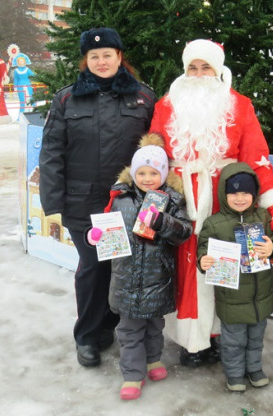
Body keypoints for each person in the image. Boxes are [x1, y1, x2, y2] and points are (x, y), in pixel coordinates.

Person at [149, 39, 273, 367]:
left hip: (225, 198)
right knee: (186, 267)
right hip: (181, 197)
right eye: (192, 68)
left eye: (206, 67)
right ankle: (189, 341)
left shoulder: (239, 105)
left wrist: (269, 201)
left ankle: (215, 335)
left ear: (219, 70)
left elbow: (256, 157)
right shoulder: (166, 105)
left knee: (221, 263)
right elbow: (154, 155)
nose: (199, 75)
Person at [39, 27, 157, 368]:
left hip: (127, 204)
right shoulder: (66, 99)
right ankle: (88, 336)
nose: (101, 61)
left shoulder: (144, 98)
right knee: (93, 267)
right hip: (84, 204)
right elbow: (51, 154)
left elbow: (155, 151)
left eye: (108, 55)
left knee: (122, 265)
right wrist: (53, 203)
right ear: (85, 61)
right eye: (94, 56)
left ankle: (116, 328)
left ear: (120, 58)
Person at [85, 135, 193, 400]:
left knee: (155, 325)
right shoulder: (120, 198)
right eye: (141, 173)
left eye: (153, 173)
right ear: (133, 174)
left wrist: (162, 222)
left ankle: (153, 360)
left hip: (158, 279)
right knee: (130, 330)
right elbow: (107, 228)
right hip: (127, 279)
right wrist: (94, 235)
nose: (147, 178)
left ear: (164, 174)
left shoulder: (172, 200)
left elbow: (184, 232)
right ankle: (133, 375)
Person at [197, 163, 273, 392]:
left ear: (254, 193)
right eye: (233, 193)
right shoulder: (213, 224)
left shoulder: (263, 217)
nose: (240, 198)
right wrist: (203, 261)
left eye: (246, 192)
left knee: (256, 338)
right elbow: (203, 251)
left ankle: (255, 368)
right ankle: (235, 374)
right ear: (223, 194)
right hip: (232, 297)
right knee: (233, 341)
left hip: (260, 296)